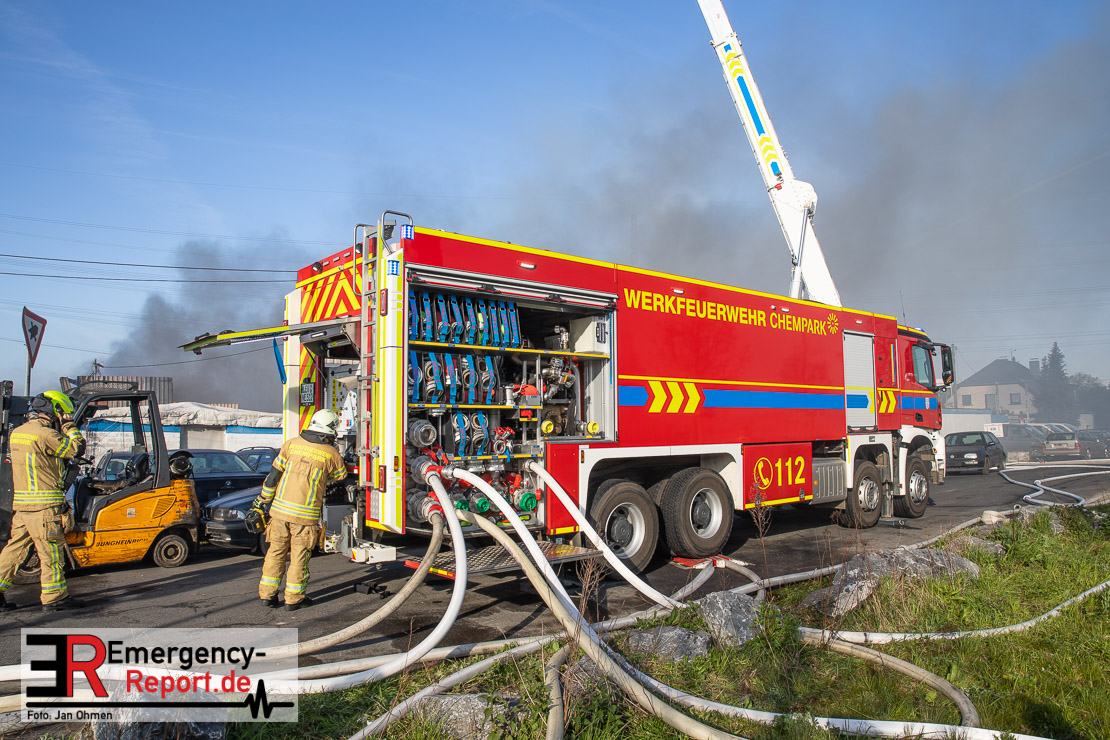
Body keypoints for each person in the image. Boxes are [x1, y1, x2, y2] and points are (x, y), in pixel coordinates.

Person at [0, 391, 86, 612]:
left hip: (23, 508)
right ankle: (54, 597)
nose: (63, 416)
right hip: (44, 508)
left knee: (14, 550)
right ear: (54, 411)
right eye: (62, 413)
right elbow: (77, 448)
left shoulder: (18, 433)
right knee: (51, 553)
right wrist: (69, 426)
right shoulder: (47, 435)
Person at [253, 409, 346, 611]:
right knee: (298, 558)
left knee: (275, 554)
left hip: (279, 513)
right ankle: (294, 600)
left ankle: (267, 596)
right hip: (304, 518)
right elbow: (340, 476)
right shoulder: (331, 454)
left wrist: (262, 500)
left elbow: (272, 478)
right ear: (330, 430)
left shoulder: (291, 445)